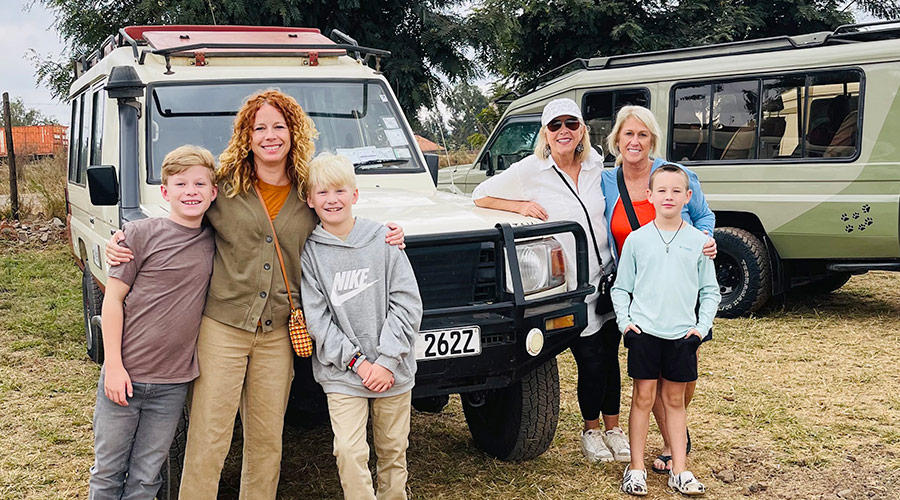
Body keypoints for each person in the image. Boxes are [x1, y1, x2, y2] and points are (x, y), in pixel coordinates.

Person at [104, 90, 405, 499]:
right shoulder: (223, 188)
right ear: (246, 136)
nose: (269, 135)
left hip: (279, 332)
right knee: (210, 434)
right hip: (222, 330)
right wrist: (124, 239)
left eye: (278, 126)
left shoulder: (307, 191)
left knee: (267, 440)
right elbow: (180, 216)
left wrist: (389, 232)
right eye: (259, 127)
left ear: (292, 132)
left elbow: (343, 217)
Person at [472, 98, 630, 463]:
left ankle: (614, 428)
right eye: (555, 125)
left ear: (582, 131)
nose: (564, 132)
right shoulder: (531, 170)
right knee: (589, 361)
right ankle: (591, 431)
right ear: (545, 132)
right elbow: (481, 195)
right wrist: (520, 207)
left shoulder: (594, 165)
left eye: (571, 124)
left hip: (608, 277)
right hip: (574, 284)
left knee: (610, 358)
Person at [89, 145, 217, 499]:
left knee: (147, 476)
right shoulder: (139, 235)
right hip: (125, 375)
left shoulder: (216, 241)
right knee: (108, 471)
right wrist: (113, 366)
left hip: (173, 383)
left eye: (199, 184)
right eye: (180, 184)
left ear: (213, 192)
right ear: (165, 191)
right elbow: (113, 300)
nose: (190, 191)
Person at [601, 105, 716, 474]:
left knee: (682, 375)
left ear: (653, 140)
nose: (635, 141)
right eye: (628, 134)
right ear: (616, 138)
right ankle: (671, 443)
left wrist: (707, 242)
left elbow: (704, 217)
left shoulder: (677, 176)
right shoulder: (605, 182)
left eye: (643, 135)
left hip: (681, 283)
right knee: (647, 381)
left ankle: (675, 435)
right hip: (638, 285)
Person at [300, 153, 422, 500]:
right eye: (322, 193)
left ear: (354, 194)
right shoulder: (310, 253)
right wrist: (358, 362)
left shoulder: (383, 240)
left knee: (392, 450)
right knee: (350, 452)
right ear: (310, 199)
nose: (332, 200)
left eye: (340, 191)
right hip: (343, 372)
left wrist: (385, 361)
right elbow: (317, 318)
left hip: (393, 369)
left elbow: (407, 302)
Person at [612, 164, 720, 496]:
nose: (668, 197)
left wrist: (701, 328)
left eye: (676, 191)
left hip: (682, 335)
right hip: (645, 333)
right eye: (662, 191)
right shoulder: (637, 240)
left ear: (688, 197)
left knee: (675, 401)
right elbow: (621, 288)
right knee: (642, 398)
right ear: (650, 196)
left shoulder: (698, 242)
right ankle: (637, 469)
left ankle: (680, 469)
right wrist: (625, 323)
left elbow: (710, 290)